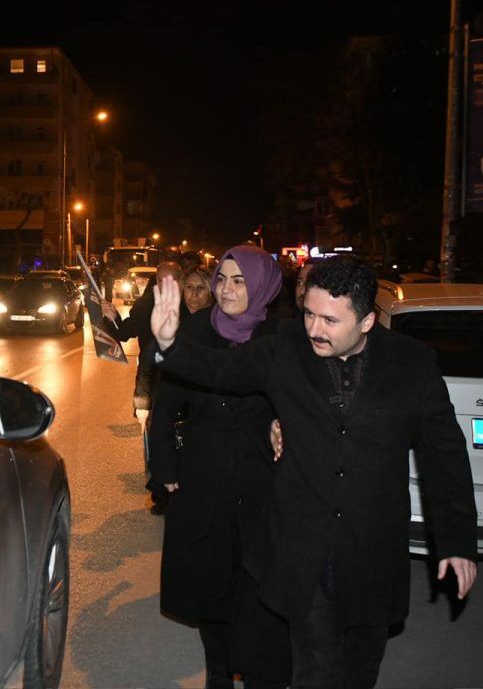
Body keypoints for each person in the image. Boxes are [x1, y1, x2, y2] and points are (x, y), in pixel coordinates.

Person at [150, 256, 478, 689]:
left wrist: (457, 541)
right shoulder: (286, 349)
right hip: (304, 554)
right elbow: (221, 370)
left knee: (359, 671)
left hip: (372, 555)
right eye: (309, 314)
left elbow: (444, 455)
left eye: (330, 320)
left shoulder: (412, 365)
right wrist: (170, 343)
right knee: (315, 670)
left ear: (366, 321)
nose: (314, 329)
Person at [149, 246, 287, 689]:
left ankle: (253, 666)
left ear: (262, 286)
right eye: (222, 279)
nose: (226, 289)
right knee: (209, 582)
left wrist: (282, 425)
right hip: (203, 473)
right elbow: (165, 406)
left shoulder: (281, 338)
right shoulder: (192, 331)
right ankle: (219, 671)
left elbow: (299, 400)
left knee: (256, 582)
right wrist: (164, 466)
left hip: (261, 479)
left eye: (239, 280)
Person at [102, 260, 182, 512]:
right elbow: (124, 332)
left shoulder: (192, 306)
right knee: (156, 436)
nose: (166, 286)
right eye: (161, 280)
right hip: (154, 381)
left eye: (172, 281)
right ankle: (161, 494)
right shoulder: (146, 305)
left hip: (187, 383)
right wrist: (111, 318)